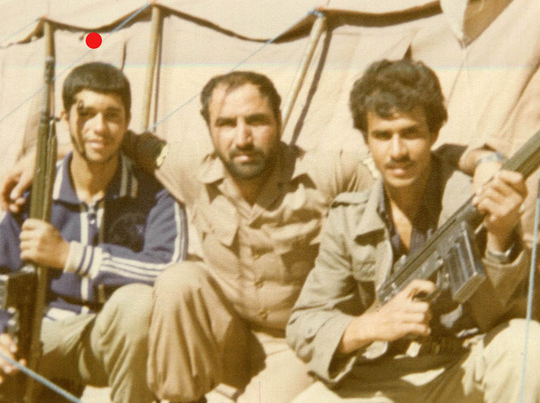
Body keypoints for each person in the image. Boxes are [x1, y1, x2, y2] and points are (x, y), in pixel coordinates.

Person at [0, 68, 500, 403]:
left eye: (256, 121)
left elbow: (406, 156)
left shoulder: (328, 172)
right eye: (227, 124)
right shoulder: (189, 166)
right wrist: (42, 156)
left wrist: (481, 159)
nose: (242, 137)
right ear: (209, 129)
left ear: (279, 123)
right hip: (228, 335)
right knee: (178, 280)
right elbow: (110, 138)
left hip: (296, 343)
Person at [286, 59, 540, 402]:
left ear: (434, 133)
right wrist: (369, 326)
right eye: (382, 135)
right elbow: (304, 323)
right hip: (385, 374)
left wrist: (500, 237)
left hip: (463, 366)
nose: (397, 151)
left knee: (528, 345)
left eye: (411, 133)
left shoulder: (474, 195)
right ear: (366, 140)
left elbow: (501, 316)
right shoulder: (349, 218)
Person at [0, 62, 187, 403]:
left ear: (127, 122)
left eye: (112, 115)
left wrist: (71, 255)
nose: (99, 127)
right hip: (40, 333)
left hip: (113, 339)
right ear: (65, 117)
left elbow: (168, 269)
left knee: (138, 303)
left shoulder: (154, 193)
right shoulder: (36, 191)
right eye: (85, 114)